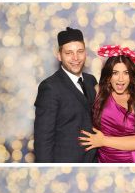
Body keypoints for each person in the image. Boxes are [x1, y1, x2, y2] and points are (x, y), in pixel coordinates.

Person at [79, 45, 135, 163]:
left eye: (126, 73)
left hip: (132, 162)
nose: (120, 79)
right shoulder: (98, 92)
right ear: (108, 76)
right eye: (115, 73)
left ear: (131, 76)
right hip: (104, 160)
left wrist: (103, 141)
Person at [34, 27, 97, 163]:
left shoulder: (91, 81)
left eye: (80, 51)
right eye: (69, 53)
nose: (76, 58)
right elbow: (43, 141)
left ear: (85, 53)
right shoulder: (50, 87)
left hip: (94, 164)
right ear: (59, 56)